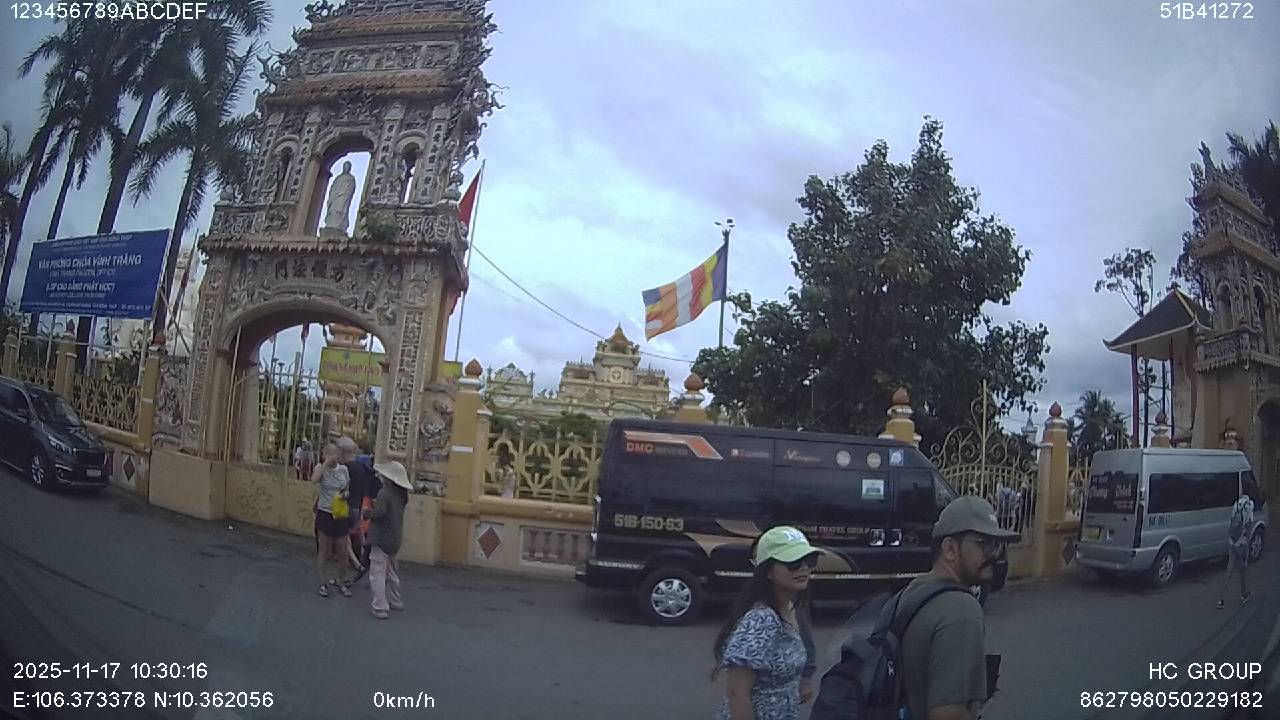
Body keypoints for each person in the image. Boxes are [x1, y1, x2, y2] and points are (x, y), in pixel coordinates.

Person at [898, 496, 1018, 720]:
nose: (995, 554)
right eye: (985, 544)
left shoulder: (915, 589)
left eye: (997, 545)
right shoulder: (961, 610)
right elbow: (948, 714)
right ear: (950, 549)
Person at [712, 526, 822, 720]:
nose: (804, 567)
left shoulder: (791, 608)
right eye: (793, 563)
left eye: (810, 560)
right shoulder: (762, 619)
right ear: (768, 571)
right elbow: (736, 693)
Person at [364, 460, 412, 619]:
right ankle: (395, 600)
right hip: (395, 537)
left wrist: (367, 513)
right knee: (392, 571)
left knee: (377, 572)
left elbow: (380, 513)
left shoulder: (384, 493)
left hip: (381, 537)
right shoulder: (402, 495)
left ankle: (380, 606)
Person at [312, 442, 353, 598]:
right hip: (325, 512)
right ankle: (322, 583)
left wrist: (344, 495)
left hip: (340, 513)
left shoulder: (344, 470)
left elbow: (347, 489)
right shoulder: (320, 468)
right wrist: (325, 464)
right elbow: (314, 479)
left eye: (333, 454)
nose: (331, 457)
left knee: (342, 550)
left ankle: (341, 582)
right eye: (327, 454)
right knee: (324, 550)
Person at [338, 437, 373, 578]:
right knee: (355, 534)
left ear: (342, 451)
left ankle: (357, 564)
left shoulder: (346, 468)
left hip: (346, 506)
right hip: (357, 505)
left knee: (343, 539)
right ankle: (364, 555)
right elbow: (364, 489)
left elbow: (342, 488)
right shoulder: (362, 468)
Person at [1217, 491, 1255, 609]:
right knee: (1242, 570)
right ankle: (1244, 594)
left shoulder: (1236, 504)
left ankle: (1221, 599)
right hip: (1241, 544)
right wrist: (1247, 544)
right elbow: (1249, 526)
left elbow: (1231, 522)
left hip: (1232, 542)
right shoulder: (1249, 506)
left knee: (1228, 572)